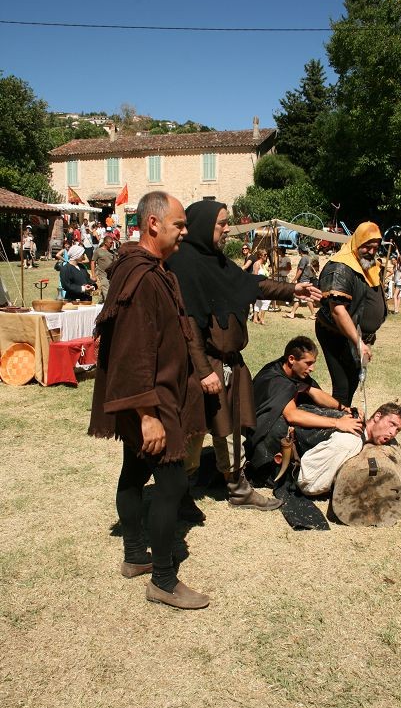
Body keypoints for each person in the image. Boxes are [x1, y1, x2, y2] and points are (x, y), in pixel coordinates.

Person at [88, 191, 209, 610]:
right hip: (150, 400)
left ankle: (135, 555)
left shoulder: (149, 269)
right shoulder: (142, 277)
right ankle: (163, 580)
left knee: (135, 470)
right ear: (153, 224)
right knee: (172, 483)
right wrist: (146, 415)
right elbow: (134, 350)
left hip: (155, 394)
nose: (184, 232)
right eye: (179, 224)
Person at [167, 200, 321, 510]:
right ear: (203, 226)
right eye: (221, 223)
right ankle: (181, 491)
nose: (227, 229)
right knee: (194, 429)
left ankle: (237, 487)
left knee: (231, 427)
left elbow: (250, 284)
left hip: (229, 363)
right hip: (201, 365)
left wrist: (293, 290)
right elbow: (189, 326)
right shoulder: (183, 263)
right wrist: (203, 371)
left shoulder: (217, 262)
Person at [247, 335, 364, 483]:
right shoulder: (277, 380)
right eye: (308, 363)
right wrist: (337, 422)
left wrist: (343, 408)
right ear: (291, 359)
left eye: (313, 363)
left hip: (286, 417)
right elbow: (292, 416)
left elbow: (314, 392)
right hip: (262, 436)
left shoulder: (291, 370)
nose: (312, 368)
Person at [315, 221, 387, 406]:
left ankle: (343, 413)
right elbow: (338, 311)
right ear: (357, 242)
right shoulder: (341, 267)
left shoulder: (369, 265)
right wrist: (358, 342)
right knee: (343, 386)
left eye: (375, 248)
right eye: (367, 246)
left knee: (353, 379)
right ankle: (337, 419)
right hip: (336, 334)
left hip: (356, 336)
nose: (371, 252)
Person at [298, 402, 401, 496]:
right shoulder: (351, 441)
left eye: (397, 430)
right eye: (392, 424)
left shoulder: (358, 424)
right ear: (377, 417)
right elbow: (308, 483)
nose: (393, 433)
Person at [286, 244, 317, 320]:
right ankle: (292, 313)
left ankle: (313, 314)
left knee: (306, 298)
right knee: (297, 297)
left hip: (303, 281)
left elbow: (300, 270)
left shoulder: (303, 259)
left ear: (300, 250)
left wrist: (294, 279)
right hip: (305, 280)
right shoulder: (308, 258)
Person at [91, 234, 117, 302]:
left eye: (112, 243)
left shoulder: (112, 253)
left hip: (110, 275)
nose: (112, 244)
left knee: (106, 290)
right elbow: (93, 262)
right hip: (101, 274)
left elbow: (115, 263)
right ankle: (109, 304)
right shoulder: (98, 251)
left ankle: (101, 303)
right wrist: (93, 275)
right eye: (110, 243)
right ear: (105, 243)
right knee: (107, 289)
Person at [252, 249, 271, 324]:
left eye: (267, 254)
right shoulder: (257, 264)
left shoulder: (263, 265)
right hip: (260, 286)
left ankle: (255, 318)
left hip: (264, 285)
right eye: (265, 255)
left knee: (258, 302)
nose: (266, 256)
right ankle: (261, 319)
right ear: (260, 255)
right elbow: (255, 276)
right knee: (267, 301)